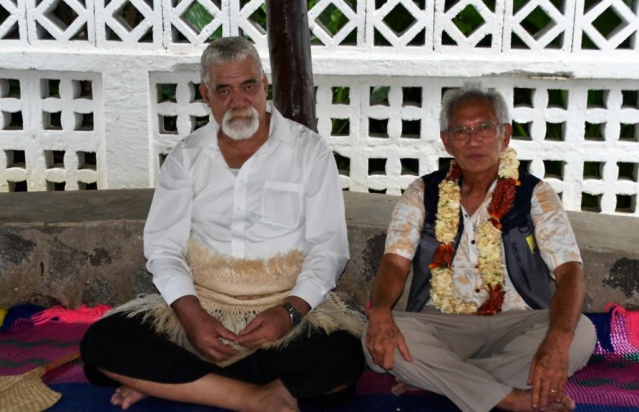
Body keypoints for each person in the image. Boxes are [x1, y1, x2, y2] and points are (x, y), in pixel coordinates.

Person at [81, 36, 365, 412]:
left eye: (248, 86)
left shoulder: (309, 151)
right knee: (103, 342)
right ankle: (256, 397)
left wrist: (289, 313)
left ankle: (181, 382)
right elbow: (164, 249)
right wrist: (192, 317)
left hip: (283, 316)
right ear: (206, 94)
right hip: (205, 313)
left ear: (264, 85)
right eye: (224, 90)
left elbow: (328, 249)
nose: (238, 102)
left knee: (343, 355)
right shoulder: (187, 157)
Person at [363, 82, 596, 412]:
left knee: (581, 334)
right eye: (461, 130)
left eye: (484, 127)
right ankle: (510, 398)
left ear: (505, 134)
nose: (473, 140)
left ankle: (444, 380)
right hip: (444, 324)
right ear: (447, 141)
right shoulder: (422, 192)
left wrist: (557, 339)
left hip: (515, 322)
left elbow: (570, 272)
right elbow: (395, 263)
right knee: (373, 338)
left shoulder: (535, 194)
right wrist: (381, 312)